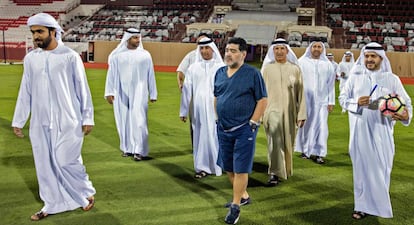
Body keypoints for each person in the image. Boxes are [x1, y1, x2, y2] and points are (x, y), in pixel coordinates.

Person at [11, 13, 96, 221]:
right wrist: (19, 120)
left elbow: (82, 89)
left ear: (53, 31)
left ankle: (85, 191)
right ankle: (52, 203)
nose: (36, 37)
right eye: (33, 33)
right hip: (40, 121)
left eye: (39, 32)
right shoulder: (31, 58)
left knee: (66, 160)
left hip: (68, 119)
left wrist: (87, 117)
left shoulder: (69, 56)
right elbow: (26, 91)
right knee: (44, 164)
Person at [338, 42, 412, 220]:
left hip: (383, 133)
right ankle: (362, 206)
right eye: (367, 56)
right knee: (362, 170)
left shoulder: (391, 79)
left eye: (373, 56)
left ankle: (379, 204)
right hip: (359, 133)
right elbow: (342, 99)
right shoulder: (355, 77)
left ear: (381, 58)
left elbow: (406, 103)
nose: (369, 59)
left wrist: (405, 116)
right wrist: (357, 103)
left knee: (382, 168)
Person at [214, 37, 267, 224]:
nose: (228, 53)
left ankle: (236, 206)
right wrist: (217, 118)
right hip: (223, 127)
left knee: (241, 167)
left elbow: (262, 100)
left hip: (244, 129)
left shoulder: (253, 74)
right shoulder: (219, 72)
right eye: (227, 50)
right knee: (227, 166)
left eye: (233, 50)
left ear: (243, 54)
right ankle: (243, 196)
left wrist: (253, 122)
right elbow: (217, 96)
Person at [105, 28, 158, 161]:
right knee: (123, 120)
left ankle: (140, 150)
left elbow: (150, 74)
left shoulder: (145, 55)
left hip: (140, 90)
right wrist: (109, 92)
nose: (138, 40)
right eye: (135, 38)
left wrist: (153, 93)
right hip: (120, 90)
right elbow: (111, 75)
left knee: (139, 119)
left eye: (139, 37)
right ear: (128, 39)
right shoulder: (117, 56)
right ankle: (127, 148)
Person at [260, 38, 307, 186]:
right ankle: (274, 172)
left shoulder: (295, 69)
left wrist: (301, 114)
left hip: (290, 112)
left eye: (282, 49)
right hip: (271, 111)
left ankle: (285, 170)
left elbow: (301, 94)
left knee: (288, 143)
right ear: (272, 51)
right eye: (276, 49)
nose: (279, 52)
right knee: (275, 141)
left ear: (287, 51)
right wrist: (260, 114)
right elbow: (260, 93)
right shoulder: (266, 69)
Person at [180, 37, 224, 178]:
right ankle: (201, 167)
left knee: (215, 136)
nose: (205, 51)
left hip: (216, 109)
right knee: (199, 137)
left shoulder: (221, 68)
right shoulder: (193, 68)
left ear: (213, 49)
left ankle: (217, 166)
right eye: (202, 48)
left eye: (207, 48)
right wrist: (184, 111)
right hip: (198, 109)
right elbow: (187, 90)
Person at [295, 40, 336, 164]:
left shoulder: (328, 65)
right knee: (305, 125)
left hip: (322, 101)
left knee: (322, 127)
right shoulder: (301, 62)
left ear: (322, 49)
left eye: (319, 47)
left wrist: (331, 101)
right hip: (305, 100)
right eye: (314, 46)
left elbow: (331, 84)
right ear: (310, 48)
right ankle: (305, 150)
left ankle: (319, 153)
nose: (317, 49)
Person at [176, 32, 210, 146]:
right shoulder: (191, 56)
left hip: (211, 98)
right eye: (200, 44)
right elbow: (181, 70)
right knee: (194, 123)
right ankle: (196, 147)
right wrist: (180, 83)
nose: (203, 48)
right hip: (194, 97)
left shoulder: (216, 59)